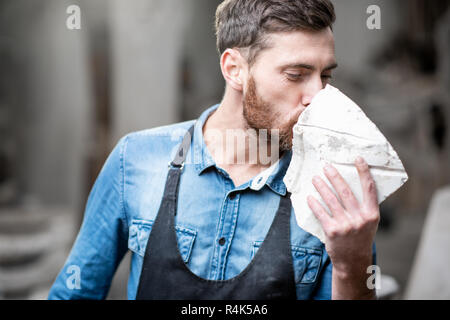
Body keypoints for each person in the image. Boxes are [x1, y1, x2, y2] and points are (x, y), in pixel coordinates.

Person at [48, 0, 378, 300]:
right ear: (234, 69)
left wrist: (353, 266)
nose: (317, 95)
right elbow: (74, 294)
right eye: (297, 75)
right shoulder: (135, 159)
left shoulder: (334, 194)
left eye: (325, 76)